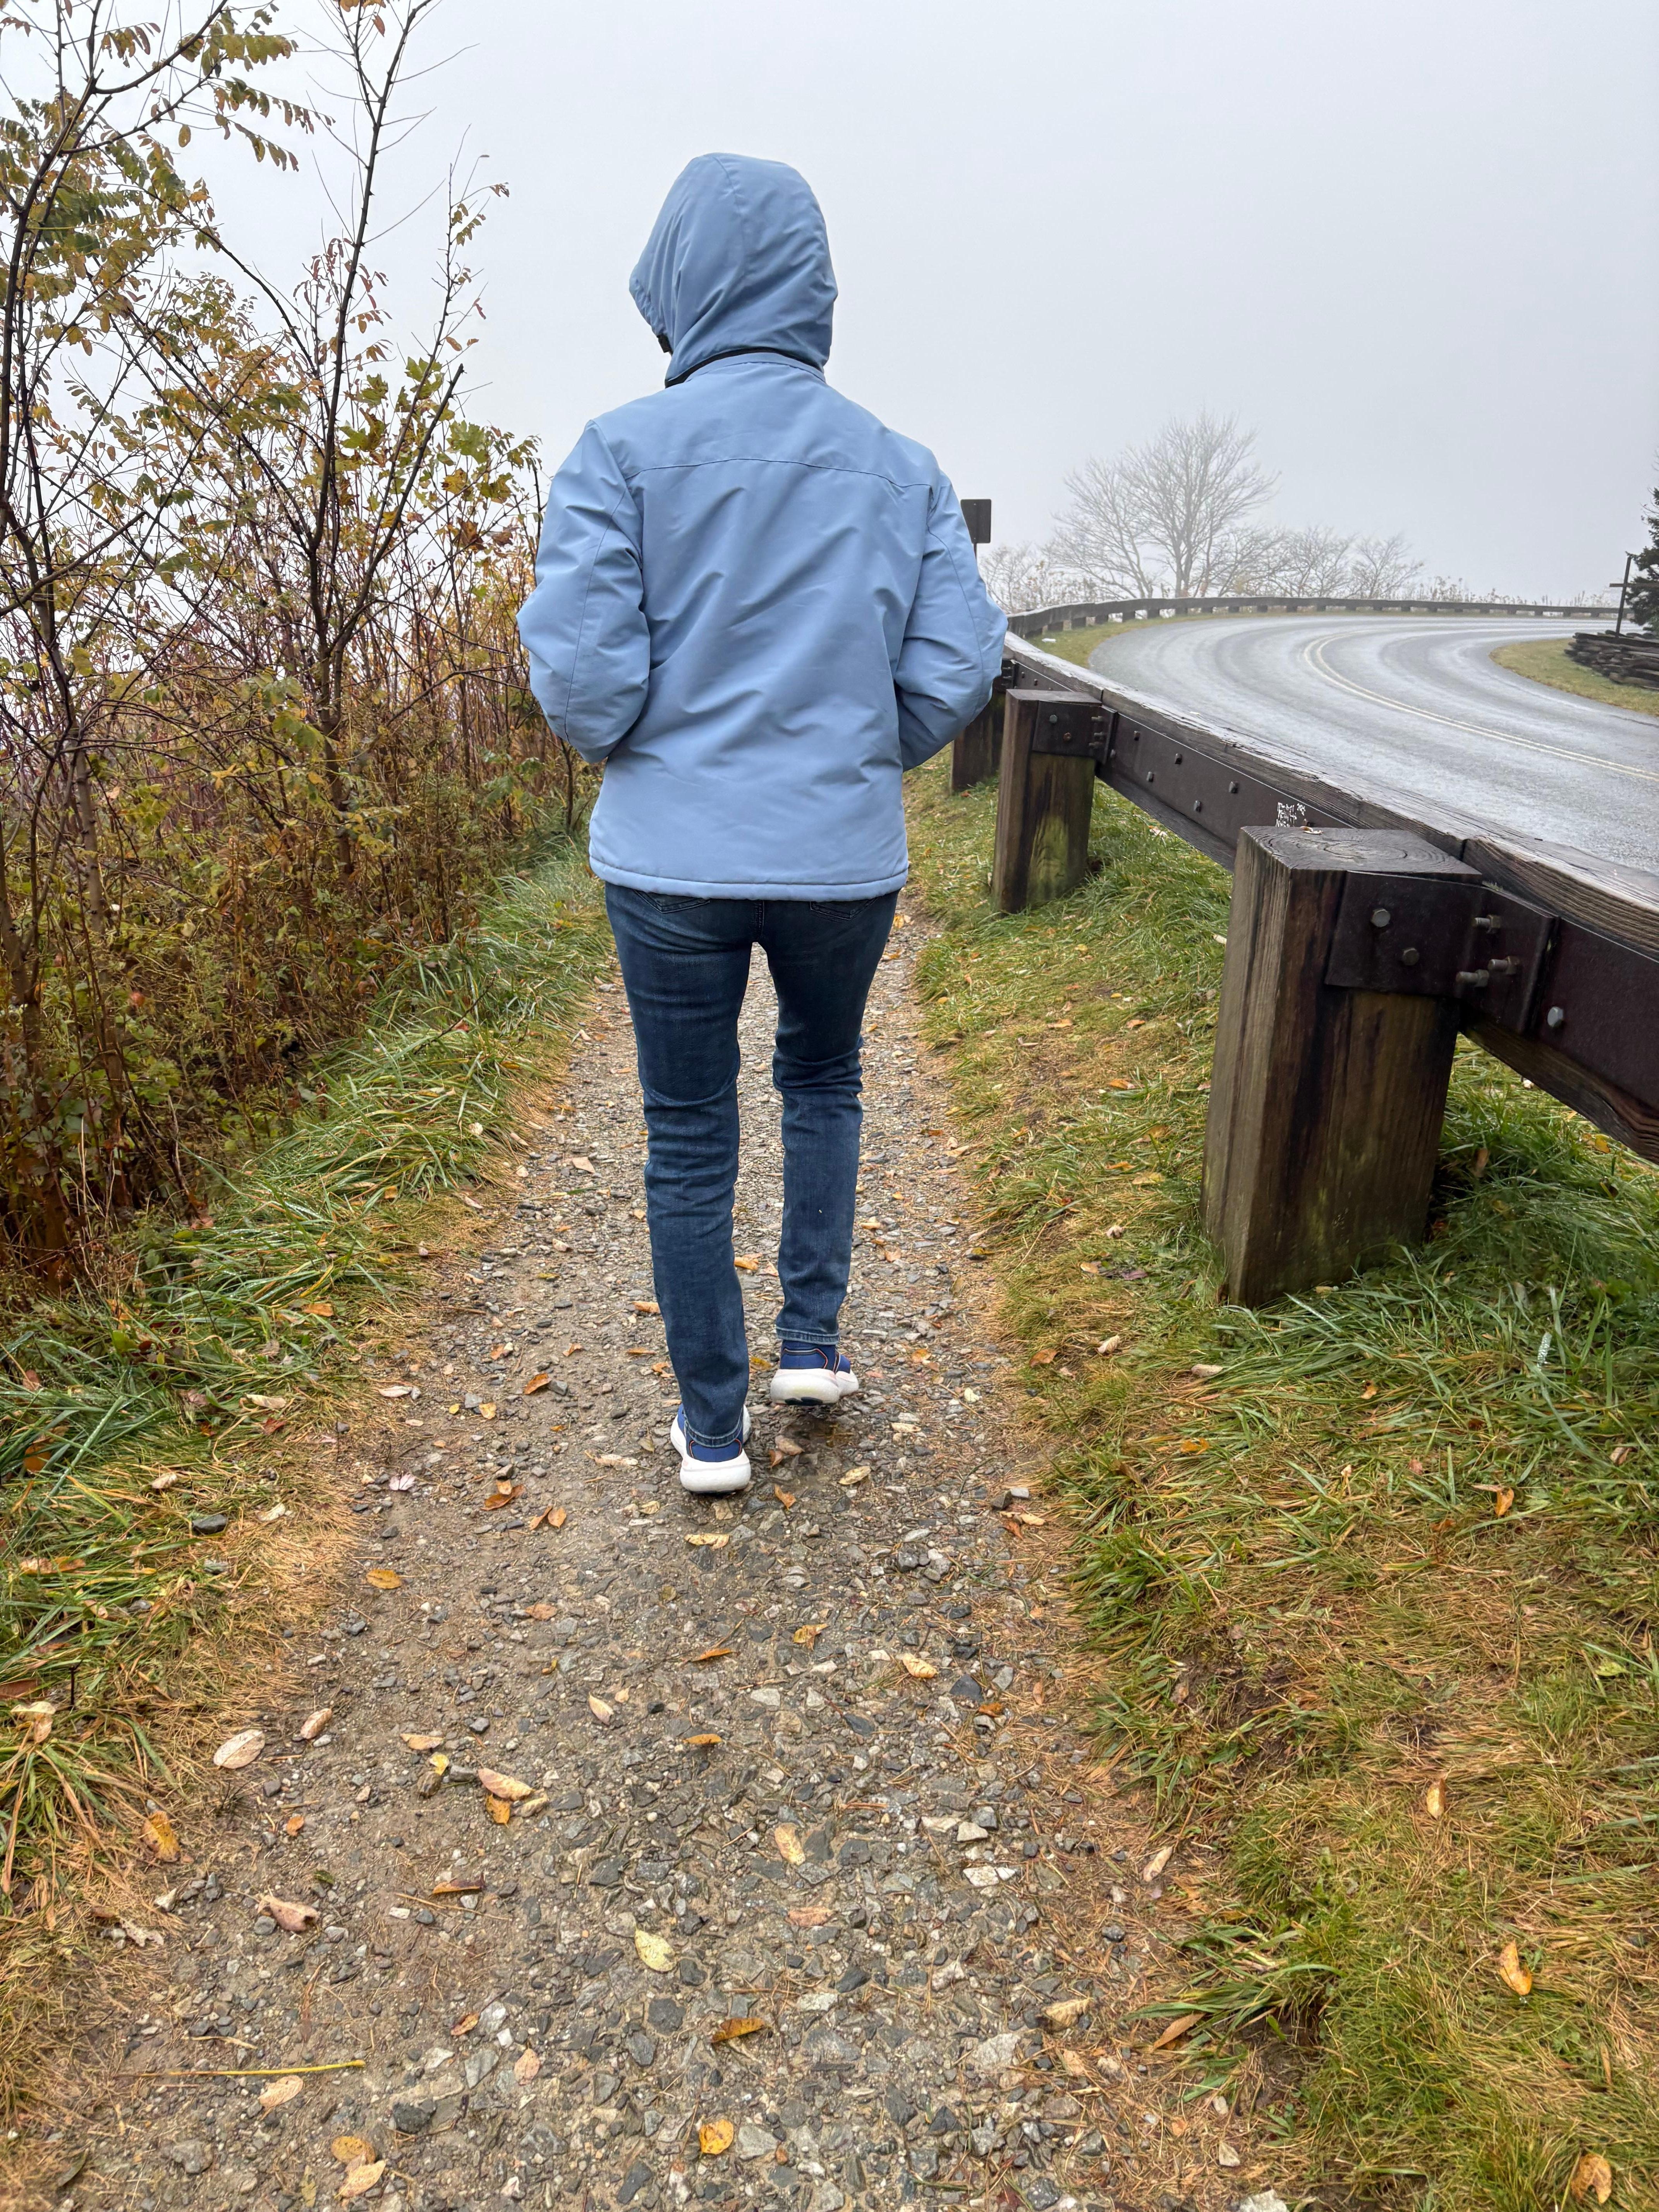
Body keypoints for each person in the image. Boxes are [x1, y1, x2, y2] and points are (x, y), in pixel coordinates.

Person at [518, 153, 1005, 1496]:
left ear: (678, 282)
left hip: (668, 862)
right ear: (812, 286)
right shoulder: (900, 468)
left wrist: (643, 746)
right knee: (824, 1079)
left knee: (686, 1128)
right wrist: (865, 750)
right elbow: (958, 661)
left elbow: (582, 676)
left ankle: (714, 1430)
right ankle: (812, 1343)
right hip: (840, 858)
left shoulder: (616, 450)